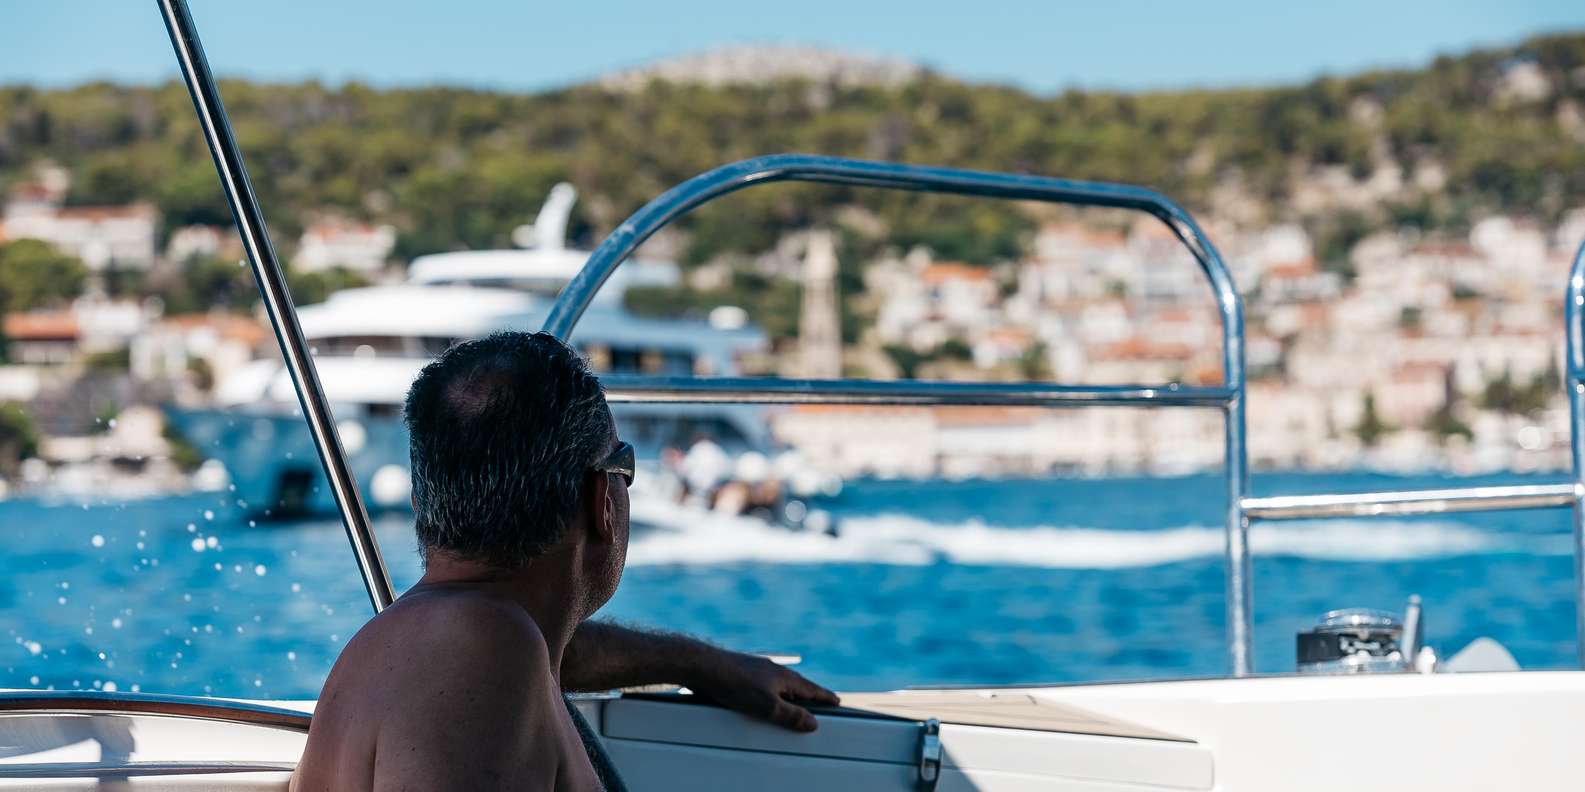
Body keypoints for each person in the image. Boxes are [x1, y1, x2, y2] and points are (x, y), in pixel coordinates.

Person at [291, 332, 837, 791]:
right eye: (624, 466)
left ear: (421, 502)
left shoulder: (462, 639)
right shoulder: (477, 659)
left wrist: (701, 664)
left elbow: (562, 653)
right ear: (603, 501)